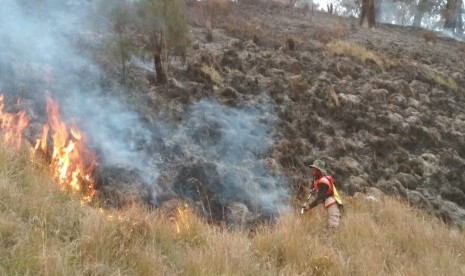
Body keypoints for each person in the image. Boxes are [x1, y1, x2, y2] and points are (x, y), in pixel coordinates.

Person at [301, 159, 343, 229]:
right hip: (327, 205)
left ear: (319, 170)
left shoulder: (323, 181)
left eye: (315, 169)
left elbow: (320, 198)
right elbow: (314, 184)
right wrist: (312, 189)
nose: (312, 170)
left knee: (333, 227)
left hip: (332, 206)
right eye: (312, 168)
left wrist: (309, 207)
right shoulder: (317, 178)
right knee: (325, 226)